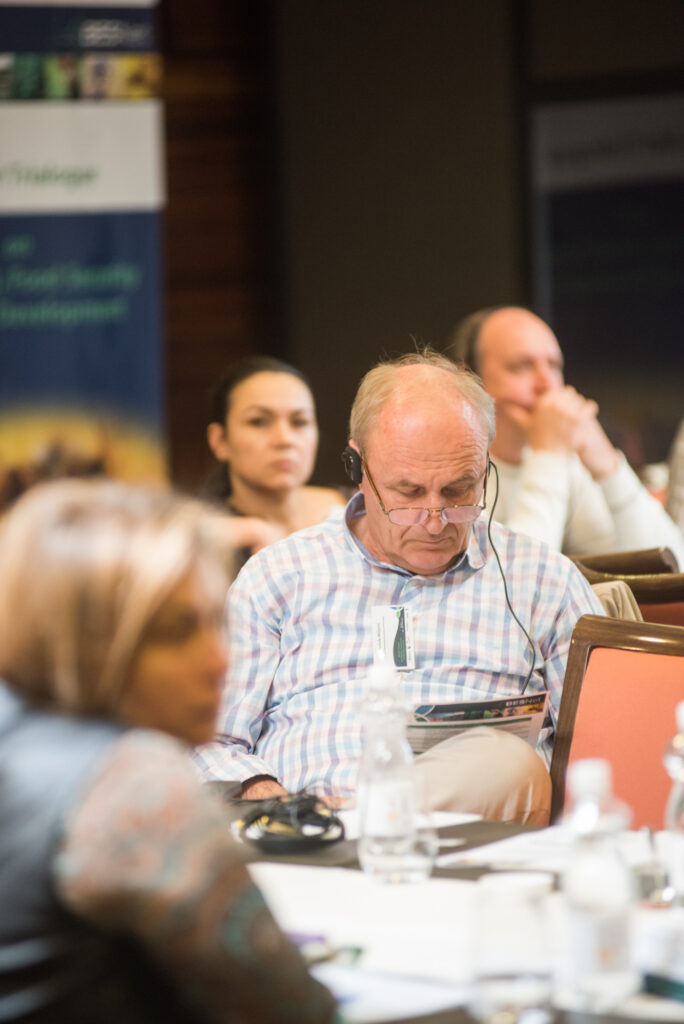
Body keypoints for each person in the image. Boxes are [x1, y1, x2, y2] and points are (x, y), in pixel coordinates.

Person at [195, 351, 604, 826]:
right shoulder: (279, 576)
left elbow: (606, 747)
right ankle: (351, 826)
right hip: (301, 840)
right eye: (408, 493)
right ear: (358, 468)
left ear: (485, 467)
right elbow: (210, 741)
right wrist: (267, 796)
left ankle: (359, 822)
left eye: (458, 491)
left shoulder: (543, 581)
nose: (434, 521)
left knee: (509, 763)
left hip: (469, 847)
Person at [0, 479, 336, 1024]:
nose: (220, 660)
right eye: (178, 631)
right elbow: (297, 1010)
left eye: (216, 622)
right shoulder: (131, 782)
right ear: (91, 639)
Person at [447, 306, 684, 567]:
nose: (546, 384)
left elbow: (671, 568)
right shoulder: (446, 468)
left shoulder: (567, 465)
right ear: (469, 377)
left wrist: (609, 467)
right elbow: (514, 579)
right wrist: (549, 454)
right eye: (521, 366)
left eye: (554, 366)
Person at [203, 356, 346, 564]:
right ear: (220, 440)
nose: (284, 439)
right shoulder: (206, 541)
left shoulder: (360, 507)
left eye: (299, 422)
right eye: (259, 422)